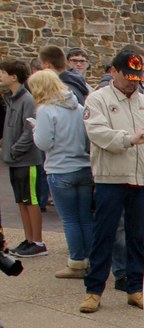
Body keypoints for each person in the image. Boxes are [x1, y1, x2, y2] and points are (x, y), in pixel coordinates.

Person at [80, 48, 144, 314]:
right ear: (114, 71)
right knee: (104, 235)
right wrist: (128, 138)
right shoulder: (97, 100)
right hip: (111, 179)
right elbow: (97, 132)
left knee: (138, 236)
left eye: (137, 77)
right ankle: (94, 290)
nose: (133, 82)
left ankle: (135, 286)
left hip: (143, 181)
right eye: (128, 76)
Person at [28, 69, 94, 279]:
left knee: (70, 219)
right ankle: (93, 260)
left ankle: (76, 262)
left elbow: (44, 142)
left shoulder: (46, 110)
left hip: (60, 168)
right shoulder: (78, 107)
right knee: (85, 218)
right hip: (83, 167)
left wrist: (35, 129)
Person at [0, 59, 46, 258]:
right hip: (15, 160)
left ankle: (38, 242)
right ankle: (28, 240)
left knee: (31, 200)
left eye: (2, 73)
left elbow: (29, 130)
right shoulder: (11, 99)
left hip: (27, 160)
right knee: (21, 201)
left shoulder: (27, 99)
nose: (0, 76)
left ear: (14, 76)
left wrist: (14, 150)